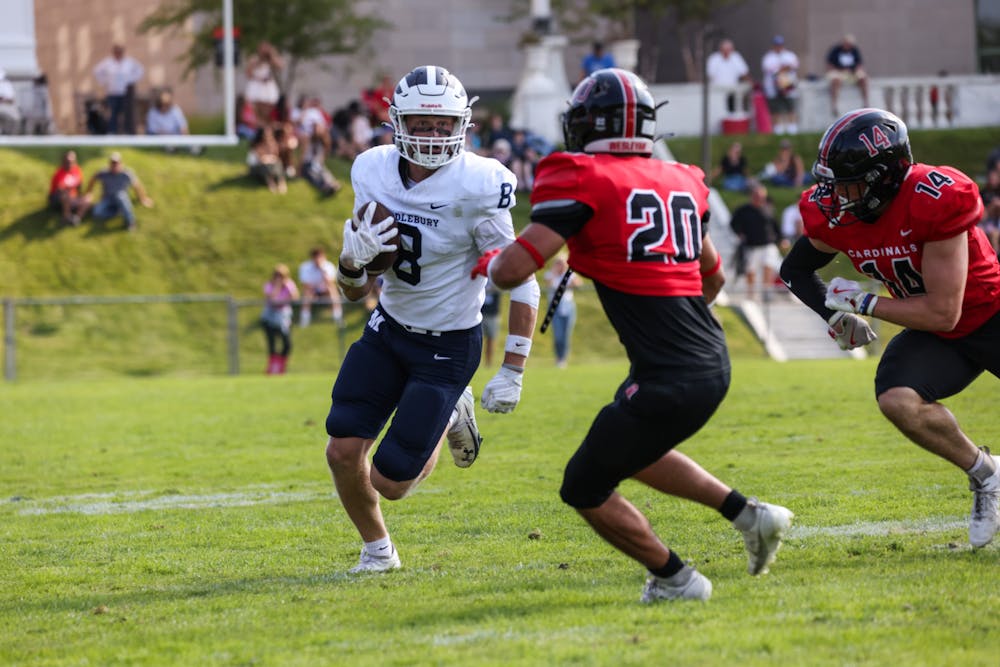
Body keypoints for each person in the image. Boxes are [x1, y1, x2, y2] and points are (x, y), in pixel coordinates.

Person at [473, 68, 793, 603]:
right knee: (632, 450)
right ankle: (750, 516)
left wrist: (484, 256)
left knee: (584, 485)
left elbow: (508, 272)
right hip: (708, 356)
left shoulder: (580, 176)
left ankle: (677, 580)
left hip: (672, 373)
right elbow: (711, 276)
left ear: (587, 126)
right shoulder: (680, 178)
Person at [325, 65, 540, 574]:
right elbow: (355, 292)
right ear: (398, 122)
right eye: (422, 122)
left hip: (448, 343)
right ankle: (379, 552)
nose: (433, 134)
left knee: (391, 482)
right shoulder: (371, 169)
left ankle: (449, 414)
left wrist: (513, 366)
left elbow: (521, 275)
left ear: (462, 125)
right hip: (389, 329)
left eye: (443, 124)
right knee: (341, 450)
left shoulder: (482, 182)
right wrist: (352, 264)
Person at [779, 108, 1000, 549]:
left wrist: (864, 301)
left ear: (883, 178)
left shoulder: (933, 198)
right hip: (938, 333)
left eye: (847, 184)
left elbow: (944, 312)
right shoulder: (840, 215)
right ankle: (987, 475)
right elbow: (795, 270)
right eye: (833, 184)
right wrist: (836, 316)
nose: (836, 196)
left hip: (988, 313)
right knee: (898, 400)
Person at [730, 183, 781, 300]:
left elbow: (775, 226)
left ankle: (766, 290)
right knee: (751, 271)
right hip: (751, 245)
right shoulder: (743, 210)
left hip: (768, 245)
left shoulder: (768, 209)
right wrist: (740, 234)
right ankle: (751, 293)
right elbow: (733, 224)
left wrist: (780, 239)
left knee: (768, 266)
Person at [83, 152, 154, 231]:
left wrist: (143, 199)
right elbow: (93, 179)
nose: (114, 165)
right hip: (107, 198)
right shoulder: (104, 173)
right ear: (109, 164)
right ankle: (118, 212)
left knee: (120, 196)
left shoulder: (127, 173)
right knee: (96, 212)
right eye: (112, 163)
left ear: (120, 163)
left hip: (121, 198)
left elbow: (137, 186)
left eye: (116, 163)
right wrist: (88, 193)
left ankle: (131, 222)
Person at [92, 44, 144, 134]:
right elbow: (96, 71)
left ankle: (127, 132)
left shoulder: (129, 62)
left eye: (120, 52)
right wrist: (104, 82)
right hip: (112, 92)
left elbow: (140, 70)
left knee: (126, 114)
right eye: (117, 52)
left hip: (126, 93)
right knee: (113, 113)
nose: (118, 54)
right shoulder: (107, 62)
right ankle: (112, 131)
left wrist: (131, 80)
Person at [543, 255, 583, 368]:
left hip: (568, 306)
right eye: (558, 263)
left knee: (566, 334)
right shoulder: (551, 274)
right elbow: (549, 284)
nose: (561, 266)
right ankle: (558, 357)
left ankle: (563, 359)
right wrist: (555, 273)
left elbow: (578, 283)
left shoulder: (569, 275)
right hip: (554, 307)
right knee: (558, 335)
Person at [261, 264, 299, 375]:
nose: (279, 278)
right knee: (272, 343)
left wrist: (287, 286)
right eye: (277, 275)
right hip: (270, 317)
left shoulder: (289, 284)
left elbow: (295, 297)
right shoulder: (269, 285)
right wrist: (277, 286)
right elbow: (271, 299)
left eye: (281, 275)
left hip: (283, 317)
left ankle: (281, 366)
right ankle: (272, 367)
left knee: (287, 344)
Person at [761, 35, 799, 135]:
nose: (778, 47)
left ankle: (792, 128)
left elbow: (794, 65)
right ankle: (777, 129)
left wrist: (781, 68)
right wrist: (784, 68)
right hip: (773, 88)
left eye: (780, 45)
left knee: (790, 107)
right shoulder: (768, 57)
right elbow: (770, 69)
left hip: (788, 85)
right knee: (775, 109)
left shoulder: (789, 55)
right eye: (776, 45)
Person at [145, 89, 202, 155]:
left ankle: (190, 148)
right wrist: (167, 136)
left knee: (192, 145)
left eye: (166, 104)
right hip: (159, 137)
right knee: (168, 145)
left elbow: (183, 127)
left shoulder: (175, 110)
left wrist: (185, 138)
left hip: (175, 137)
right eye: (161, 104)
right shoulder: (153, 112)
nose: (164, 107)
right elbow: (153, 130)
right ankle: (171, 148)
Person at [298, 247, 343, 327]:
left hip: (325, 290)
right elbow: (306, 284)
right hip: (312, 291)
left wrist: (322, 270)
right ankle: (304, 320)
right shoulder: (305, 267)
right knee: (307, 293)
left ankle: (338, 318)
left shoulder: (328, 266)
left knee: (332, 290)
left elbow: (330, 282)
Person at [826, 34, 869, 116]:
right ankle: (834, 105)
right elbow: (830, 65)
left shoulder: (854, 50)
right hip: (838, 71)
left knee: (863, 78)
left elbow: (859, 64)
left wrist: (856, 71)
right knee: (835, 80)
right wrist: (840, 70)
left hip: (852, 73)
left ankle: (865, 102)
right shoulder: (835, 50)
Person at [706, 39, 750, 116]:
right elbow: (710, 75)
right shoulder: (714, 59)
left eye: (729, 49)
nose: (727, 52)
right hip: (717, 91)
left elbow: (744, 72)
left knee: (732, 111)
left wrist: (749, 83)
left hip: (732, 91)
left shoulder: (736, 57)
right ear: (720, 49)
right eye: (725, 50)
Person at [48, 150, 90, 226]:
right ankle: (66, 217)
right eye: (67, 161)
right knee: (65, 194)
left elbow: (79, 185)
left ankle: (77, 218)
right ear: (63, 161)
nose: (69, 164)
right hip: (57, 199)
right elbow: (60, 189)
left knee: (88, 198)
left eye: (71, 161)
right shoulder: (59, 173)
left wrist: (80, 197)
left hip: (72, 197)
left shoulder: (77, 170)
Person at [244, 41, 282, 125]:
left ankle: (267, 126)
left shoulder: (271, 59)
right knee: (258, 110)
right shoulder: (254, 59)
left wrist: (271, 55)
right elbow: (248, 73)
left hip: (268, 88)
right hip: (258, 87)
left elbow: (280, 66)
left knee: (269, 111)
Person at [246, 126, 287, 194]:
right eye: (267, 134)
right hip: (256, 168)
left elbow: (276, 156)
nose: (268, 136)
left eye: (270, 134)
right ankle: (271, 183)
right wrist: (269, 158)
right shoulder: (257, 145)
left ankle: (281, 182)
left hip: (270, 166)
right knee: (264, 165)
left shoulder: (273, 143)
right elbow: (261, 159)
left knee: (278, 163)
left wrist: (271, 146)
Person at [978, 167, 1000, 254]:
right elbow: (981, 216)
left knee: (994, 234)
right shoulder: (982, 194)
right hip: (986, 223)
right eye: (990, 178)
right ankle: (994, 259)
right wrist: (991, 207)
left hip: (996, 222)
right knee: (992, 233)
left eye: (995, 178)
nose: (992, 180)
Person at [481, 283, 502, 366]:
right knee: (478, 340)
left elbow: (500, 287)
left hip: (493, 315)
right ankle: (475, 361)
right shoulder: (482, 277)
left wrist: (489, 289)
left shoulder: (496, 276)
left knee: (491, 340)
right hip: (480, 314)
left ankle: (488, 363)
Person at [0, 68, 22, 134]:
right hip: (3, 106)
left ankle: (11, 136)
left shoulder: (7, 84)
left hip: (6, 106)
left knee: (16, 119)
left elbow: (11, 99)